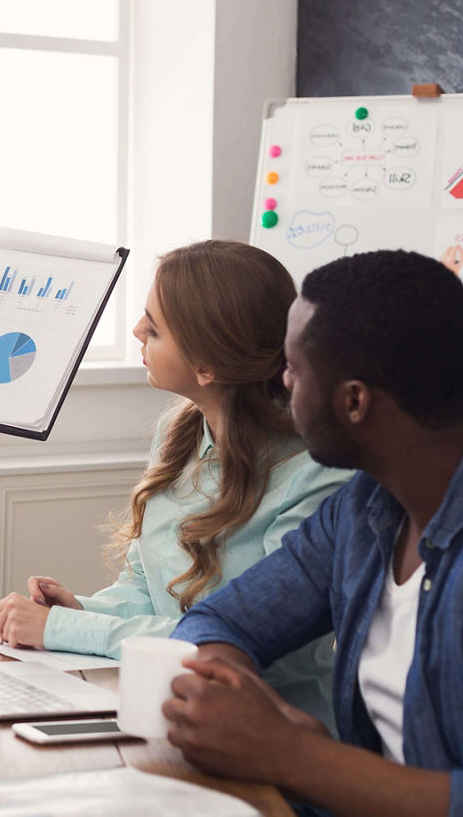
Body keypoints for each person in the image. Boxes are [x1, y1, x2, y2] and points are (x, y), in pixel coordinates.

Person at [0, 240, 350, 725]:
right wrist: (85, 609)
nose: (135, 331)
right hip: (167, 703)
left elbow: (256, 644)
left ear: (208, 365)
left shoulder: (315, 473)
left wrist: (67, 628)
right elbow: (144, 586)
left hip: (270, 728)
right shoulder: (181, 433)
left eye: (153, 328)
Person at [166, 250, 463, 815]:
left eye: (295, 370)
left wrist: (291, 754)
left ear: (354, 401)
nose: (281, 382)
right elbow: (222, 618)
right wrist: (241, 699)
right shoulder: (363, 509)